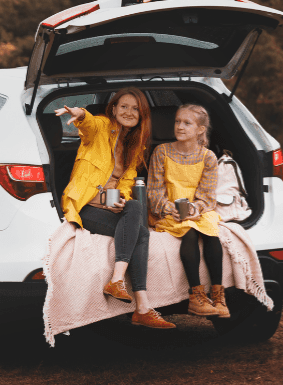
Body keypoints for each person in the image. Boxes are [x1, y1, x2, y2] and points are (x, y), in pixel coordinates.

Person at [55, 88, 176, 329]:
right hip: (85, 206)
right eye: (124, 107)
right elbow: (88, 126)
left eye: (135, 109)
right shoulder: (100, 126)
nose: (129, 112)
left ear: (141, 115)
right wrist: (80, 114)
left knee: (133, 209)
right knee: (140, 231)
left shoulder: (134, 146)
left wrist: (120, 199)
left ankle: (133, 297)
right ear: (113, 109)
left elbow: (127, 183)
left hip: (108, 205)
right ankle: (132, 296)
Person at [147, 104, 230, 318]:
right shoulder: (161, 152)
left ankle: (219, 297)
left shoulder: (208, 157)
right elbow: (154, 192)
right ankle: (196, 296)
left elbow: (208, 195)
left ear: (200, 129)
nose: (180, 127)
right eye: (177, 121)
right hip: (169, 211)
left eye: (187, 123)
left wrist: (196, 208)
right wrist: (169, 208)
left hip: (197, 211)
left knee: (212, 235)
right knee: (190, 233)